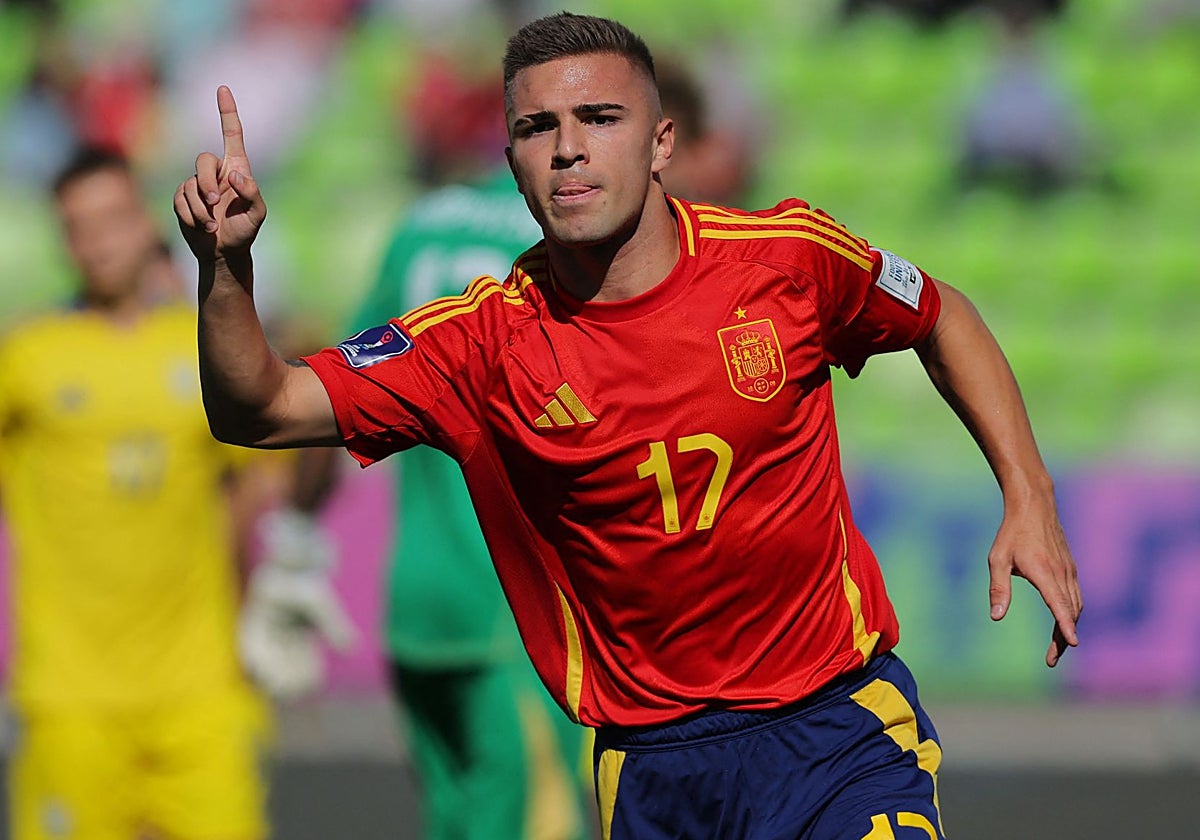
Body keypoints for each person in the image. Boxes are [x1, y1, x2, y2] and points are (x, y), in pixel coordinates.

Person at [173, 12, 1082, 839]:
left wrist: (1028, 492)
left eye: (598, 120)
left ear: (660, 142)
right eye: (538, 129)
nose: (568, 150)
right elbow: (262, 407)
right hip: (650, 771)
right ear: (512, 157)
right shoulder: (480, 343)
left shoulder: (787, 262)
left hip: (835, 735)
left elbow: (938, 314)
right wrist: (227, 270)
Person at [249, 62, 591, 839]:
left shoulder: (417, 230)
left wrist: (296, 543)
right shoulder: (568, 238)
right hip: (525, 611)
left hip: (422, 607)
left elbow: (332, 389)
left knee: (459, 823)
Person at [1, 147, 270, 840]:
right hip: (72, 694)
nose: (98, 241)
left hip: (200, 690)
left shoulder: (205, 345)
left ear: (146, 222)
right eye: (79, 226)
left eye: (113, 218)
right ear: (63, 239)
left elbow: (246, 487)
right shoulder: (28, 359)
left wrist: (256, 606)